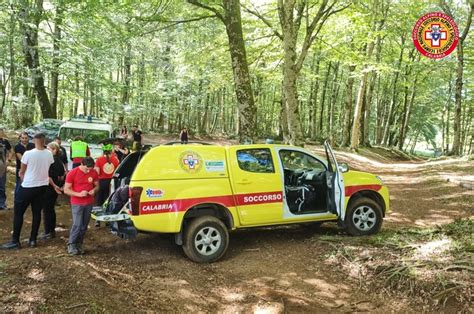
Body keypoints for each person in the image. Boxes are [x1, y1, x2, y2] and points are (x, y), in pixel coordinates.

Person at [1, 133, 54, 249]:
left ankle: (15, 241)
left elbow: (22, 170)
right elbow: (48, 167)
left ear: (34, 140)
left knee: (19, 212)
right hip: (42, 186)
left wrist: (22, 176)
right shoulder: (49, 154)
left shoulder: (28, 154)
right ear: (44, 141)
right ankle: (33, 240)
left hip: (29, 186)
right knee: (36, 212)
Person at [63, 157, 98, 255]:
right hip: (77, 202)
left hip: (89, 202)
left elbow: (97, 185)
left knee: (84, 226)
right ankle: (71, 244)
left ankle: (79, 244)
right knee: (77, 225)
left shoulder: (93, 172)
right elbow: (66, 190)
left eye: (90, 169)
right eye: (86, 169)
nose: (88, 171)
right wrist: (79, 194)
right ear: (81, 164)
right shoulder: (72, 173)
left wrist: (94, 190)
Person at [41, 142, 65, 239]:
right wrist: (60, 185)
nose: (47, 150)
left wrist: (55, 185)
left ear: (54, 150)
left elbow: (48, 176)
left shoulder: (51, 161)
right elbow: (63, 174)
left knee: (47, 210)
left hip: (50, 187)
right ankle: (51, 230)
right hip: (55, 188)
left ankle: (48, 232)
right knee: (50, 209)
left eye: (49, 149)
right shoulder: (59, 161)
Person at [94, 144, 119, 227]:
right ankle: (108, 220)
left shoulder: (99, 160)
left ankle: (97, 220)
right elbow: (117, 173)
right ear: (111, 151)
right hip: (111, 183)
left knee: (99, 201)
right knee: (108, 201)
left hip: (101, 182)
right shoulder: (115, 160)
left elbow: (97, 173)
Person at [0, 129, 13, 210]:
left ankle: (1, 204)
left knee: (1, 186)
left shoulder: (5, 142)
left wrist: (9, 160)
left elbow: (11, 151)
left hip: (2, 166)